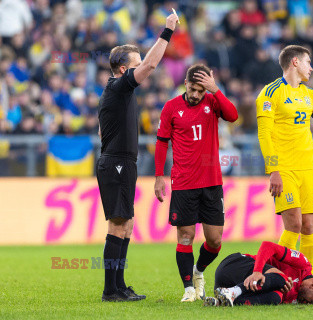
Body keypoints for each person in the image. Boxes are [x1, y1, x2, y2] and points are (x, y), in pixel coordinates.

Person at [96, 11, 178, 302]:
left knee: (126, 223)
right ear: (122, 69)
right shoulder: (118, 87)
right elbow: (153, 64)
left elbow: (102, 131)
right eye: (136, 62)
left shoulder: (119, 93)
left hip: (122, 162)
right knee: (117, 224)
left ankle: (119, 285)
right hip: (116, 162)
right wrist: (167, 31)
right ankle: (110, 290)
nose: (141, 65)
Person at [154, 64, 238, 302]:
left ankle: (198, 270)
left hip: (211, 182)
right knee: (185, 236)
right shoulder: (171, 107)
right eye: (193, 89)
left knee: (215, 240)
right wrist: (159, 176)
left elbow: (233, 116)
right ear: (185, 84)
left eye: (202, 91)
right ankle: (189, 289)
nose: (196, 95)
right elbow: (161, 143)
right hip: (183, 182)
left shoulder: (212, 102)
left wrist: (216, 90)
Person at [255, 45, 313, 272]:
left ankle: (305, 277)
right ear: (295, 62)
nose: (311, 67)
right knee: (294, 224)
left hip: (309, 168)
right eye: (308, 62)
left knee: (309, 226)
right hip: (285, 169)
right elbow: (264, 134)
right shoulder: (270, 94)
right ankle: (273, 275)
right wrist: (273, 170)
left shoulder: (310, 94)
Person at [204, 241, 313, 306]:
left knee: (276, 297)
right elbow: (268, 245)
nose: (307, 304)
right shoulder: (303, 264)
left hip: (224, 285)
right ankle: (233, 292)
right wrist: (257, 272)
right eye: (311, 302)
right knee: (282, 279)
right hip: (234, 266)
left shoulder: (294, 298)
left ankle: (222, 301)